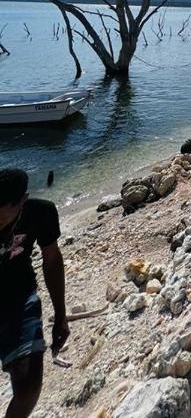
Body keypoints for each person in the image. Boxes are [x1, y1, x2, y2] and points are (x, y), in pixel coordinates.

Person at [0, 169, 69, 418]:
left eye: (2, 214)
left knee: (29, 388)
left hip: (20, 298)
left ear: (22, 201)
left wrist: (61, 315)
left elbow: (51, 259)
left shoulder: (40, 212)